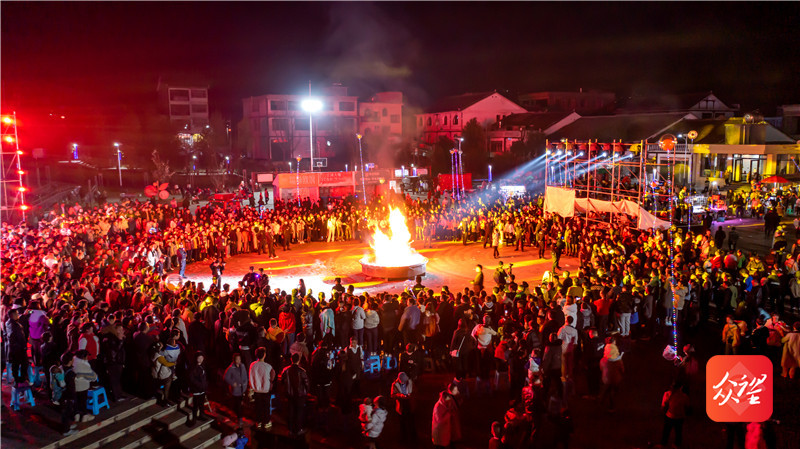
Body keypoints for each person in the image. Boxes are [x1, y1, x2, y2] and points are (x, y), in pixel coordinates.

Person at [281, 352, 310, 436]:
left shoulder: (286, 370)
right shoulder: (302, 371)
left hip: (289, 394)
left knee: (290, 412)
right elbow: (306, 383)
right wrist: (306, 392)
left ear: (291, 360)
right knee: (299, 413)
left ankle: (290, 429)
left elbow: (283, 381)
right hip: (300, 395)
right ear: (299, 360)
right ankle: (298, 429)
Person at [249, 347, 276, 429]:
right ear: (264, 355)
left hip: (256, 389)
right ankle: (266, 422)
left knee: (258, 407)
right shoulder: (268, 366)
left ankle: (259, 422)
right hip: (266, 389)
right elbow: (272, 377)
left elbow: (250, 377)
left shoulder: (252, 365)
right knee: (266, 407)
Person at [431, 381, 462, 449]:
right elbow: (439, 420)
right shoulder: (438, 407)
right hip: (439, 432)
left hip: (445, 431)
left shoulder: (445, 405)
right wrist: (449, 413)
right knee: (440, 445)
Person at [661, 381, 690, 447]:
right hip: (672, 416)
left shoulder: (683, 396)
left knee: (677, 432)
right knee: (670, 432)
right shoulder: (668, 394)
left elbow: (663, 405)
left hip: (677, 417)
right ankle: (666, 444)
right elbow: (687, 406)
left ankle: (673, 444)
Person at [224, 353, 248, 426]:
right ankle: (239, 418)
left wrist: (246, 382)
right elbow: (226, 377)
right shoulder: (231, 368)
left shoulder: (242, 366)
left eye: (239, 359)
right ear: (234, 360)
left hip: (243, 388)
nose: (239, 360)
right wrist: (232, 383)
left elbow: (245, 375)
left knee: (240, 404)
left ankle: (238, 414)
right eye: (237, 359)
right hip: (236, 390)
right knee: (238, 405)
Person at [391, 372, 416, 444]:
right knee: (402, 423)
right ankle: (404, 438)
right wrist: (401, 395)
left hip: (410, 404)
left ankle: (413, 438)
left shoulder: (410, 382)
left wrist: (411, 395)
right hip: (401, 406)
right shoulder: (395, 384)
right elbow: (392, 395)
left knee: (411, 422)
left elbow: (415, 391)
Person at [599, 342, 624, 413]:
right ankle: (612, 406)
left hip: (606, 379)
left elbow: (601, 369)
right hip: (616, 379)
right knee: (613, 391)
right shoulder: (619, 361)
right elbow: (622, 370)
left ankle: (602, 400)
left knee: (607, 388)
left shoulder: (603, 360)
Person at [59, 353, 78, 436]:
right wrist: (72, 397)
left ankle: (68, 426)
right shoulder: (70, 373)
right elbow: (71, 387)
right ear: (70, 361)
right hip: (67, 396)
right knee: (66, 412)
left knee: (67, 412)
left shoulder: (61, 368)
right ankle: (66, 430)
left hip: (62, 394)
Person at [187, 351, 209, 427]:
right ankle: (194, 419)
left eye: (202, 358)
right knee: (195, 405)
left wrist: (205, 385)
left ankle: (201, 415)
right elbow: (192, 379)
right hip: (197, 389)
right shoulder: (193, 367)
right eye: (199, 358)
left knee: (201, 404)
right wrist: (200, 385)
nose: (200, 359)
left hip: (202, 389)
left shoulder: (203, 366)